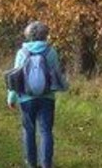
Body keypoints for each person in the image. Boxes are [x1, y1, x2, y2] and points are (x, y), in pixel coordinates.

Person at [6, 21, 69, 168]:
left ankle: (31, 163)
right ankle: (46, 164)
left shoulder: (22, 53)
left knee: (29, 130)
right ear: (45, 35)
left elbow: (15, 77)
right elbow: (56, 73)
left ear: (28, 36)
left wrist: (11, 98)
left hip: (26, 98)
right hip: (47, 97)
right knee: (46, 130)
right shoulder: (50, 52)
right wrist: (63, 87)